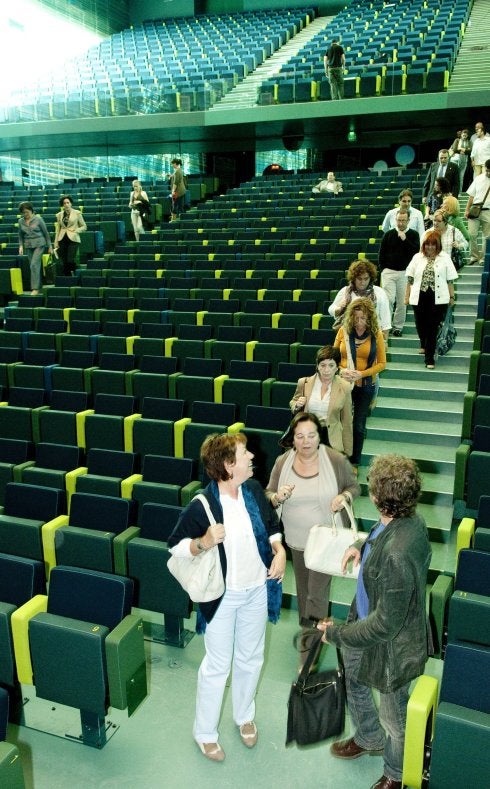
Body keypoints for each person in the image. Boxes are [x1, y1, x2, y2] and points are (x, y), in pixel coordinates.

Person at [167, 432, 285, 763]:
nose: (251, 458)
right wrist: (202, 541)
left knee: (251, 657)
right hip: (222, 597)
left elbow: (272, 526)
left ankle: (243, 715)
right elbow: (174, 545)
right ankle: (204, 733)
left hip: (257, 590)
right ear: (228, 465)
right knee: (217, 665)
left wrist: (279, 550)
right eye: (244, 454)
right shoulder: (203, 504)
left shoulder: (254, 491)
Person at [319, 454, 432, 789]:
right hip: (364, 619)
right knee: (353, 679)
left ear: (380, 497)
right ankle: (369, 737)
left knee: (394, 719)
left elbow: (385, 624)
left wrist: (337, 634)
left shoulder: (398, 551)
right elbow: (379, 534)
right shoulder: (405, 519)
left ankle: (395, 775)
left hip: (391, 647)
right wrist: (360, 545)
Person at [265, 412, 359, 652]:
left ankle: (308, 652)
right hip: (296, 541)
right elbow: (269, 494)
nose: (306, 441)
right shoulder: (282, 462)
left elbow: (354, 487)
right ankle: (311, 634)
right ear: (292, 438)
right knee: (304, 592)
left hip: (326, 541)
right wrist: (277, 497)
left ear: (319, 436)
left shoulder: (335, 459)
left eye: (311, 435)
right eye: (299, 436)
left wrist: (343, 496)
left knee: (315, 596)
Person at [334, 298, 386, 468]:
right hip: (343, 384)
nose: (359, 322)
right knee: (342, 424)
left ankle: (354, 462)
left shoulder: (376, 334)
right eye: (356, 318)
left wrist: (361, 374)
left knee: (358, 426)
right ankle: (340, 459)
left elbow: (382, 364)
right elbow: (332, 357)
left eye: (363, 318)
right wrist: (342, 370)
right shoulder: (343, 331)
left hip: (365, 386)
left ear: (369, 318)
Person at [405, 230, 458, 369]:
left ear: (438, 245)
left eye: (433, 244)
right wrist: (406, 297)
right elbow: (410, 279)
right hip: (420, 296)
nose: (430, 247)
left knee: (432, 327)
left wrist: (452, 297)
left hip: (438, 298)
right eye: (427, 244)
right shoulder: (417, 257)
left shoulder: (445, 258)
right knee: (420, 325)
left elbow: (450, 280)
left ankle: (429, 359)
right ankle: (424, 342)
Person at [289, 345, 353, 457]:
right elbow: (293, 402)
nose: (326, 370)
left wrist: (348, 451)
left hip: (331, 438)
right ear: (317, 366)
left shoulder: (345, 387)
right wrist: (297, 405)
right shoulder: (304, 383)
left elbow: (346, 420)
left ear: (337, 367)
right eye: (322, 365)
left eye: (331, 365)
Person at [378, 209, 420, 337]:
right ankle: (386, 326)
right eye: (398, 220)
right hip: (388, 272)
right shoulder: (389, 234)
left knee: (402, 301)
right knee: (388, 299)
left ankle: (398, 327)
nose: (400, 223)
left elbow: (416, 252)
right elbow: (381, 253)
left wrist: (405, 239)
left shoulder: (413, 235)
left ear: (408, 220)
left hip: (404, 273)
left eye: (403, 220)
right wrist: (383, 269)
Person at [328, 259, 391, 340]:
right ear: (354, 278)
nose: (363, 282)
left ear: (370, 278)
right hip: (349, 335)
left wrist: (385, 340)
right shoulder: (345, 291)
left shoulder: (379, 292)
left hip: (372, 334)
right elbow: (331, 309)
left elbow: (386, 319)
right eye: (359, 279)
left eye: (366, 279)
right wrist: (339, 308)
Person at [17, 201, 53, 295]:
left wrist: (50, 246)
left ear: (31, 210)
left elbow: (46, 234)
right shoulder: (20, 221)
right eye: (23, 212)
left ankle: (35, 288)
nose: (25, 214)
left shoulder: (38, 219)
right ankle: (39, 285)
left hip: (39, 244)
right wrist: (21, 246)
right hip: (28, 245)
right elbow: (20, 235)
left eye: (27, 212)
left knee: (33, 265)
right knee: (34, 266)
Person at [464, 158, 490, 265]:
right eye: (487, 170)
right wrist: (466, 209)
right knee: (471, 234)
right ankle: (474, 256)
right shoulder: (478, 178)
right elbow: (471, 196)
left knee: (487, 236)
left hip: (488, 211)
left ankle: (483, 257)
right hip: (475, 209)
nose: (488, 172)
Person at [53, 195, 87, 276]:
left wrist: (76, 230)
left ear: (71, 203)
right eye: (64, 203)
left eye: (68, 202)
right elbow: (58, 229)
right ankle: (67, 278)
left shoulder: (77, 213)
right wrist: (56, 242)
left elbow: (84, 226)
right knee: (64, 260)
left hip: (73, 239)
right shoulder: (59, 215)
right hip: (62, 239)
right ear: (62, 205)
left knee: (70, 259)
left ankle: (73, 275)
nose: (66, 204)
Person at [449, 128, 471, 192]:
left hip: (463, 161)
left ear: (467, 135)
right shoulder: (457, 140)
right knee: (453, 176)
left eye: (466, 135)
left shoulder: (469, 142)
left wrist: (461, 149)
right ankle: (451, 191)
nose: (464, 135)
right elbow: (455, 149)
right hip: (455, 160)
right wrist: (465, 150)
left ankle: (459, 192)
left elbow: (470, 151)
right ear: (461, 135)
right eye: (463, 134)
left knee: (461, 177)